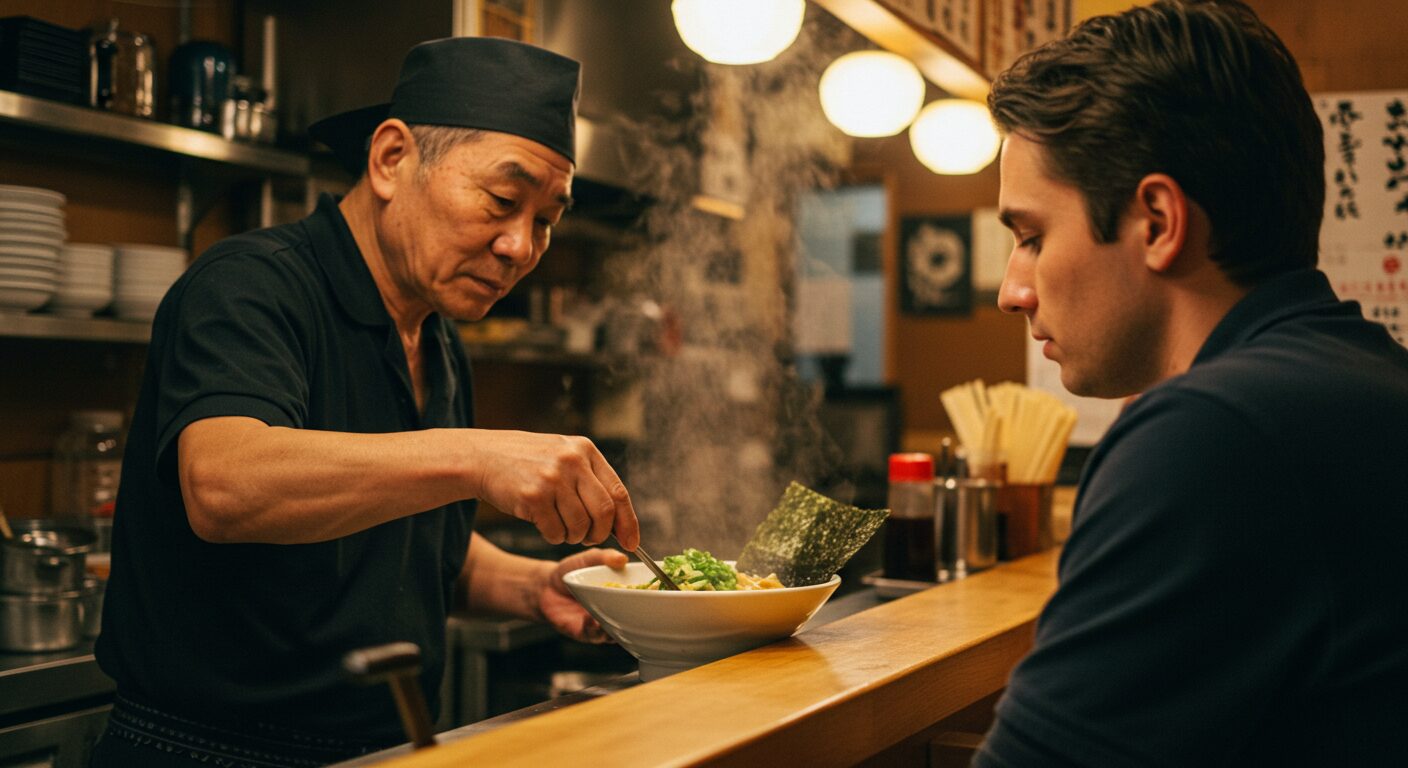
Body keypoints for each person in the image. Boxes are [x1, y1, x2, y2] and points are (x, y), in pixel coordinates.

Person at [90, 37, 640, 767]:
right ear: (390, 159)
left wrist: (534, 584)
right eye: (504, 201)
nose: (520, 247)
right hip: (207, 752)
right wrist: (478, 455)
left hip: (385, 748)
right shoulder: (250, 285)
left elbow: (413, 550)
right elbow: (223, 485)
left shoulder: (436, 339)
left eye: (545, 221)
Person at [977, 1, 1408, 765]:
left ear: (1157, 221)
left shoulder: (1215, 435)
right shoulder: (1366, 374)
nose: (1014, 291)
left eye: (1033, 237)